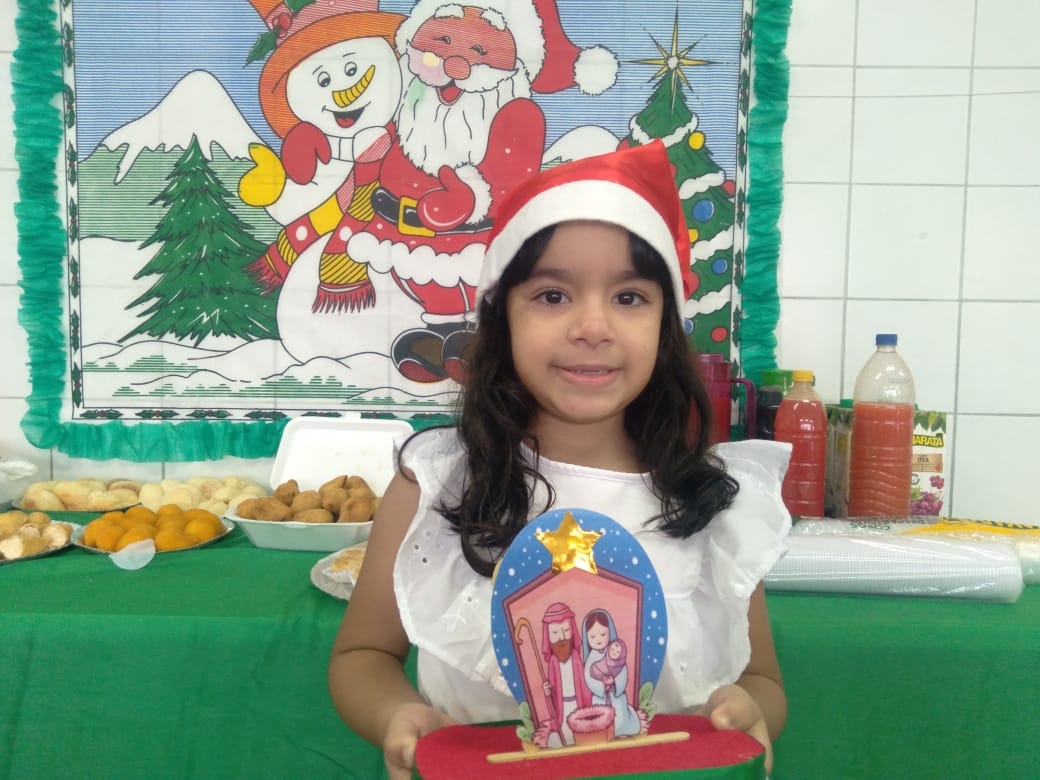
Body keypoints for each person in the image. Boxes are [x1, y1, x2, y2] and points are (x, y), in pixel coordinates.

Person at [328, 139, 791, 779]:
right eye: (552, 296)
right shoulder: (437, 483)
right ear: (502, 318)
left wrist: (750, 709)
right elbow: (362, 655)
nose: (592, 326)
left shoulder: (710, 497)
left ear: (665, 324)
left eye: (629, 297)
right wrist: (395, 716)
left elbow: (762, 678)